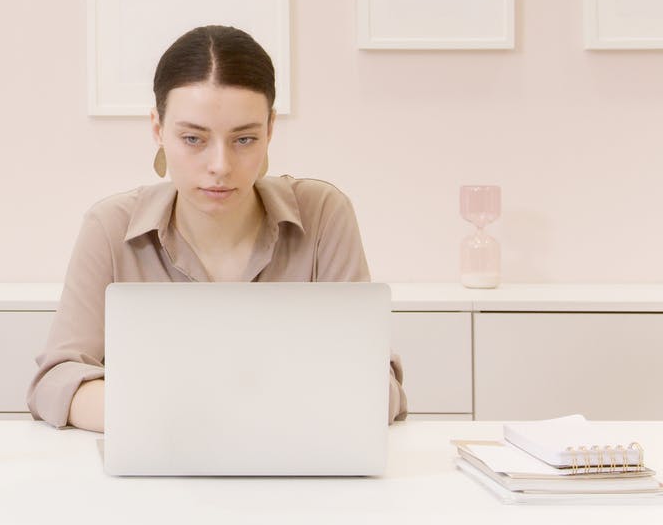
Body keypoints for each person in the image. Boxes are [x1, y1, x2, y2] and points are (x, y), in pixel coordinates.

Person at [27, 24, 407, 430]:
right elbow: (56, 382)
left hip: (295, 473)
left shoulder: (324, 215)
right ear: (157, 129)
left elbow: (377, 389)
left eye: (244, 140)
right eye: (193, 139)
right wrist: (183, 416)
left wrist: (218, 412)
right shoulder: (110, 226)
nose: (220, 166)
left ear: (270, 129)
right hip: (160, 466)